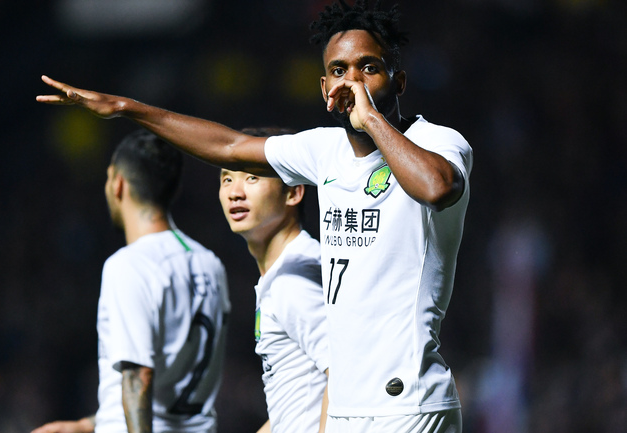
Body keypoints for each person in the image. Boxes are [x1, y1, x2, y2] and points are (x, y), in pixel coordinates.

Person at [37, 1, 472, 431]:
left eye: (368, 68)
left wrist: (372, 120)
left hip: (410, 406)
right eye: (339, 71)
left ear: (398, 80)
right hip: (347, 411)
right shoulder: (324, 151)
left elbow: (438, 188)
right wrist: (127, 109)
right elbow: (228, 146)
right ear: (324, 88)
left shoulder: (437, 141)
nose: (351, 82)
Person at [31, 131, 231, 433]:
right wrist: (87, 425)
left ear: (118, 183)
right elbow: (172, 387)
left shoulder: (130, 264)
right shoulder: (210, 263)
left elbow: (138, 377)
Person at [219, 127, 329, 433]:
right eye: (227, 178)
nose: (235, 191)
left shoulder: (296, 279)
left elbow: (345, 375)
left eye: (252, 178)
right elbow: (294, 405)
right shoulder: (282, 273)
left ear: (294, 191)